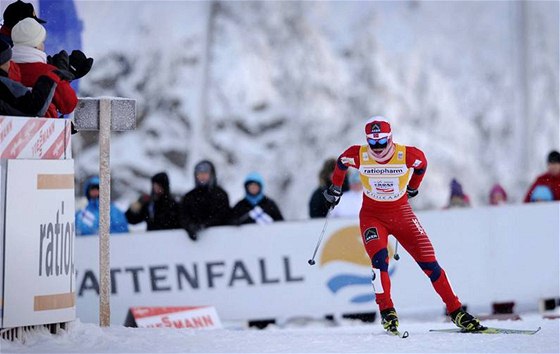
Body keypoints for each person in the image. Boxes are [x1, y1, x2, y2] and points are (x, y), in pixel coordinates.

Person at [323, 116, 484, 334]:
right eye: (373, 143)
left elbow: (422, 164)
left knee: (430, 263)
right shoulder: (358, 154)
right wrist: (335, 187)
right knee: (379, 261)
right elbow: (341, 162)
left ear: (390, 139)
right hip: (372, 216)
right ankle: (387, 312)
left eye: (382, 142)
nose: (378, 148)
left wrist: (413, 187)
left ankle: (456, 311)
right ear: (367, 141)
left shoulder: (406, 154)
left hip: (402, 215)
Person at [11, 18, 78, 118]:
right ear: (36, 45)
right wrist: (63, 77)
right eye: (41, 41)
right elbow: (68, 105)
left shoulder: (6, 68)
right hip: (42, 130)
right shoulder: (49, 72)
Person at [0, 38, 71, 116]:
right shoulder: (5, 84)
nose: (11, 63)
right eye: (8, 60)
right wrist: (52, 77)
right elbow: (32, 109)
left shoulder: (11, 76)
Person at [179, 160, 231, 240]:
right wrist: (190, 226)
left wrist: (205, 225)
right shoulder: (189, 197)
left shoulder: (221, 195)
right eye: (199, 173)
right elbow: (183, 216)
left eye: (205, 173)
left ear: (212, 174)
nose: (202, 176)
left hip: (220, 240)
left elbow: (223, 215)